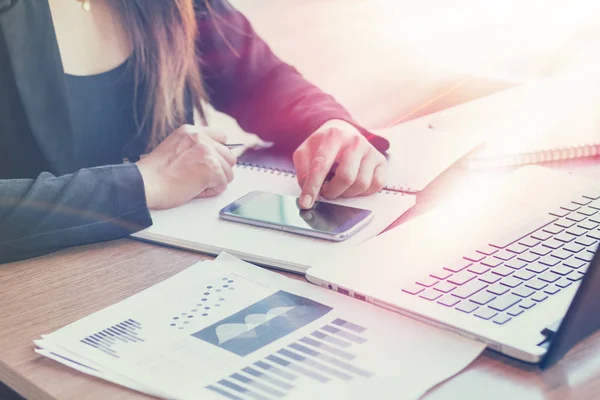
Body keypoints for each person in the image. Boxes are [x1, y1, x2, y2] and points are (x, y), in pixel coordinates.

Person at [0, 0, 389, 264]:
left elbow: (261, 81)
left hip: (165, 266)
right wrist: (141, 182)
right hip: (35, 293)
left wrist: (329, 125)